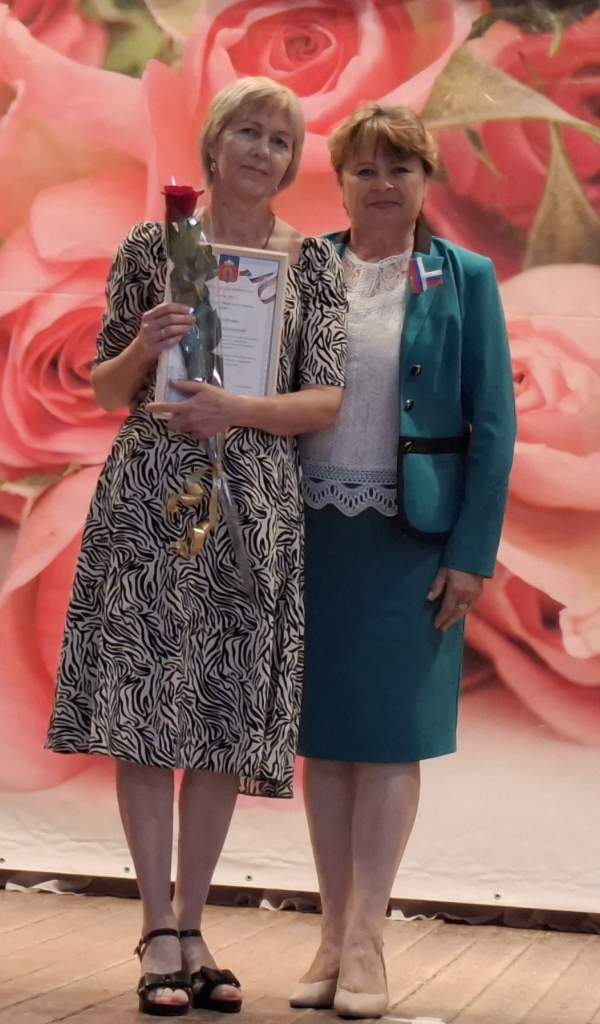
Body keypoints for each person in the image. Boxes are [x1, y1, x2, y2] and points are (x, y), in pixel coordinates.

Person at [46, 76, 347, 1017]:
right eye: (248, 131)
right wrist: (146, 345)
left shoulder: (312, 264)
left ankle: (195, 920)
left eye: (281, 140)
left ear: (291, 163)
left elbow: (326, 399)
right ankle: (157, 929)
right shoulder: (153, 247)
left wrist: (235, 408)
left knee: (218, 713)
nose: (263, 150)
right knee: (144, 706)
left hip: (252, 500)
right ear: (213, 144)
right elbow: (106, 390)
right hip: (149, 493)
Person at [291, 104, 516, 1020]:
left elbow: (494, 424)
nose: (382, 183)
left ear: (427, 180)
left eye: (401, 167)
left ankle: (368, 940)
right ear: (341, 181)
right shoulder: (304, 266)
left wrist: (472, 554)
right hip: (308, 529)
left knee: (388, 739)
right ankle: (329, 933)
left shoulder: (465, 277)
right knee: (324, 740)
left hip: (412, 540)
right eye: (365, 168)